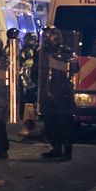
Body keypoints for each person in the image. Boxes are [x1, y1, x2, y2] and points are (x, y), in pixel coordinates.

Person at [38, 28, 79, 161]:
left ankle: (67, 151)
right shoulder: (42, 52)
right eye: (48, 35)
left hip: (63, 92)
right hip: (47, 92)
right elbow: (36, 70)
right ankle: (56, 148)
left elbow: (74, 69)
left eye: (53, 35)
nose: (50, 38)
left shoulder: (66, 51)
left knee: (65, 124)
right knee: (50, 124)